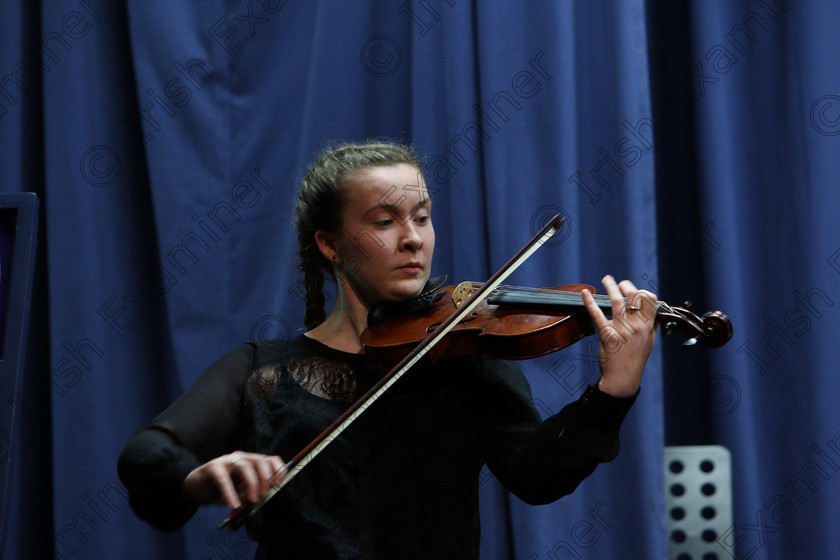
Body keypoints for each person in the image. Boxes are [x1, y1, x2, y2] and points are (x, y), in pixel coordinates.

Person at [117, 140, 658, 559]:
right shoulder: (262, 368)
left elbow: (538, 476)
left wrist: (613, 392)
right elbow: (145, 454)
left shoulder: (464, 357)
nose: (413, 238)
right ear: (329, 244)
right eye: (384, 221)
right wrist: (193, 477)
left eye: (421, 217)